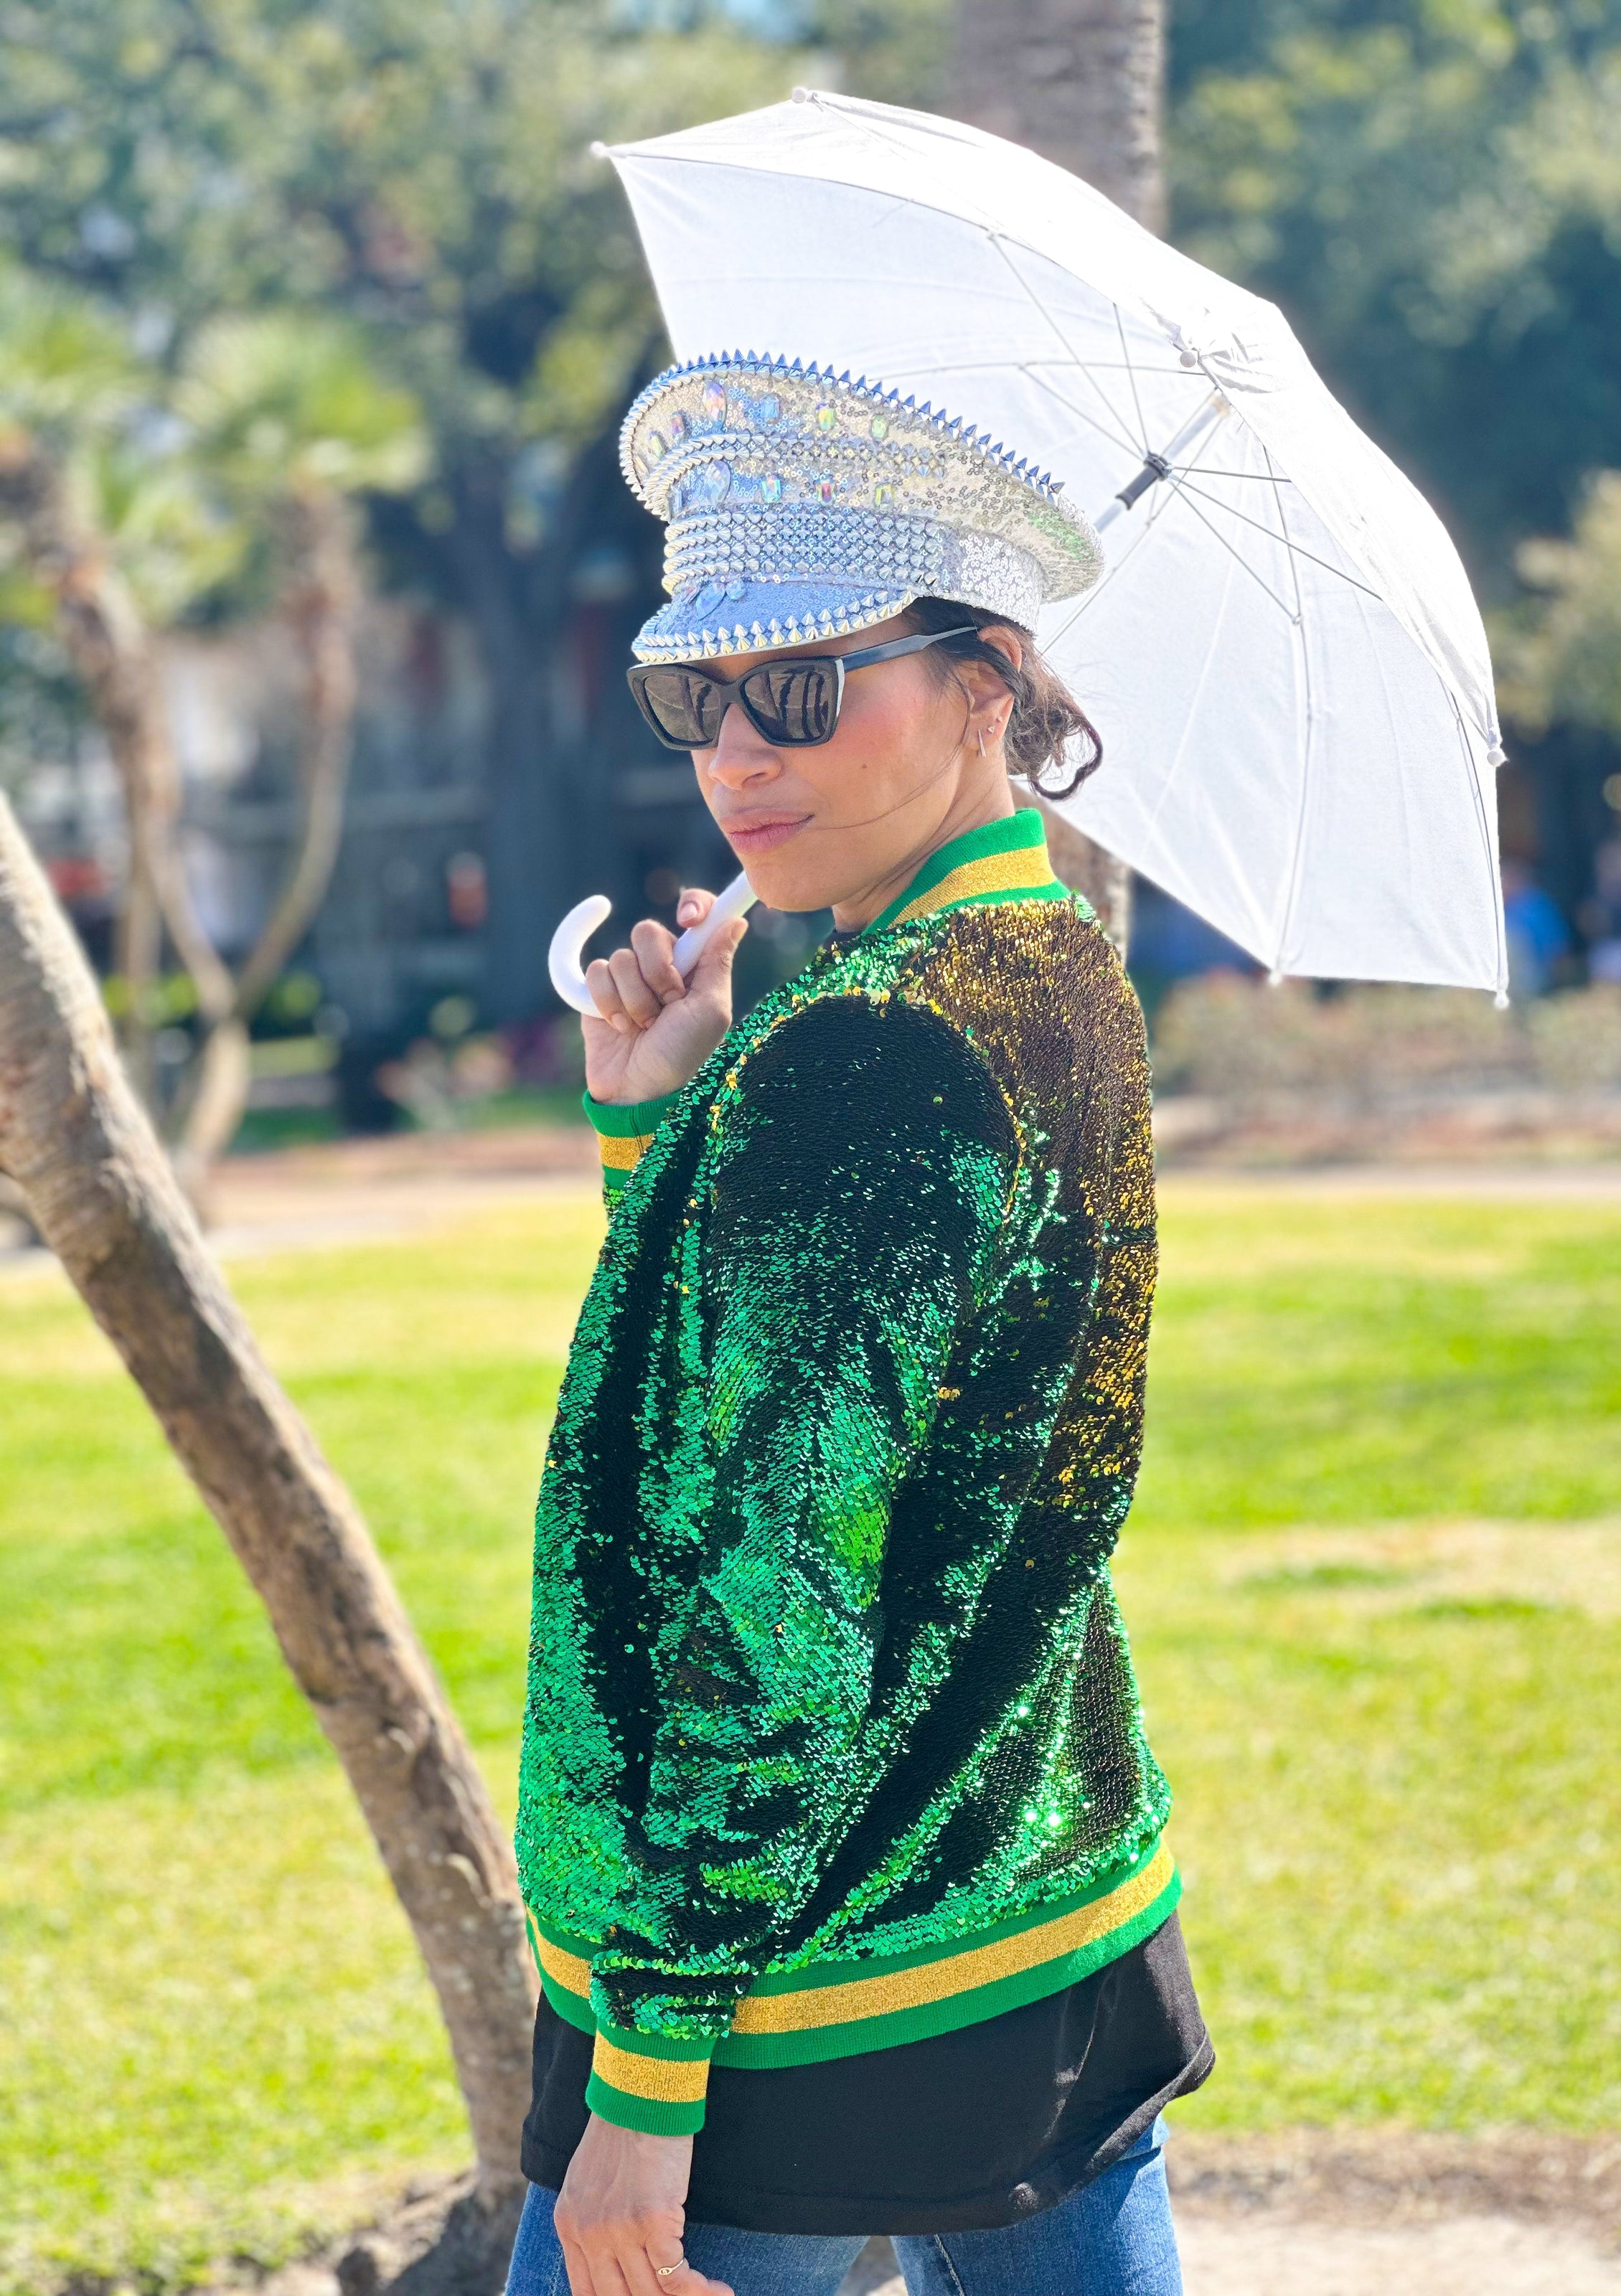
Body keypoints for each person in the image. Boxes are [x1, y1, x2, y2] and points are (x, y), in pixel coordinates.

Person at [507, 354, 1211, 2296]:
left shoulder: (872, 1045)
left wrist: (650, 2070)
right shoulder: (1054, 966)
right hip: (1034, 1873)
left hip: (802, 1978)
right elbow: (850, 1410)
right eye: (700, 695)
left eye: (806, 688)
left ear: (989, 683)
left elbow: (763, 1578)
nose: (739, 754)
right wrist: (664, 1128)